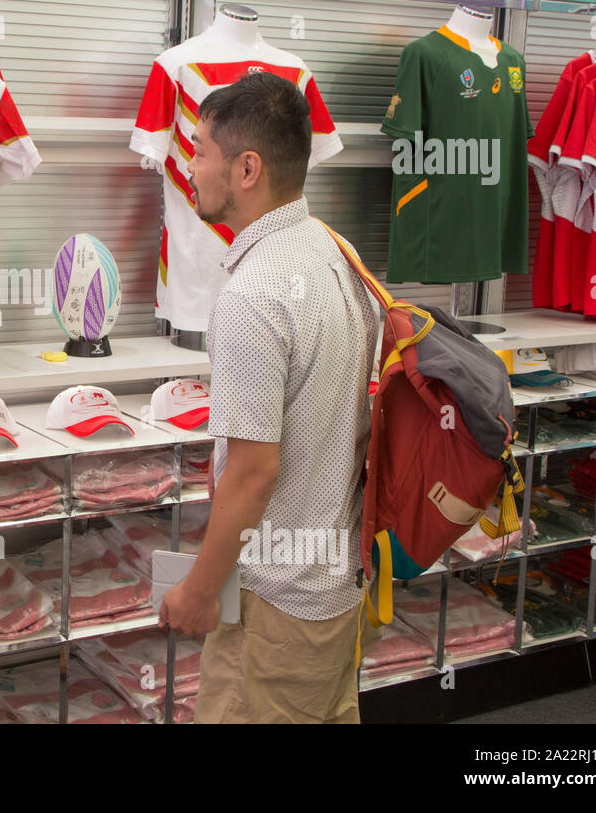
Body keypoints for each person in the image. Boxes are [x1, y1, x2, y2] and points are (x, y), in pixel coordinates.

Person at [159, 71, 382, 724]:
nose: (189, 166)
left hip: (276, 609)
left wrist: (201, 592)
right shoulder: (333, 252)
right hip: (334, 590)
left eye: (200, 150)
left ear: (247, 167)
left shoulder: (255, 295)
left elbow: (255, 474)